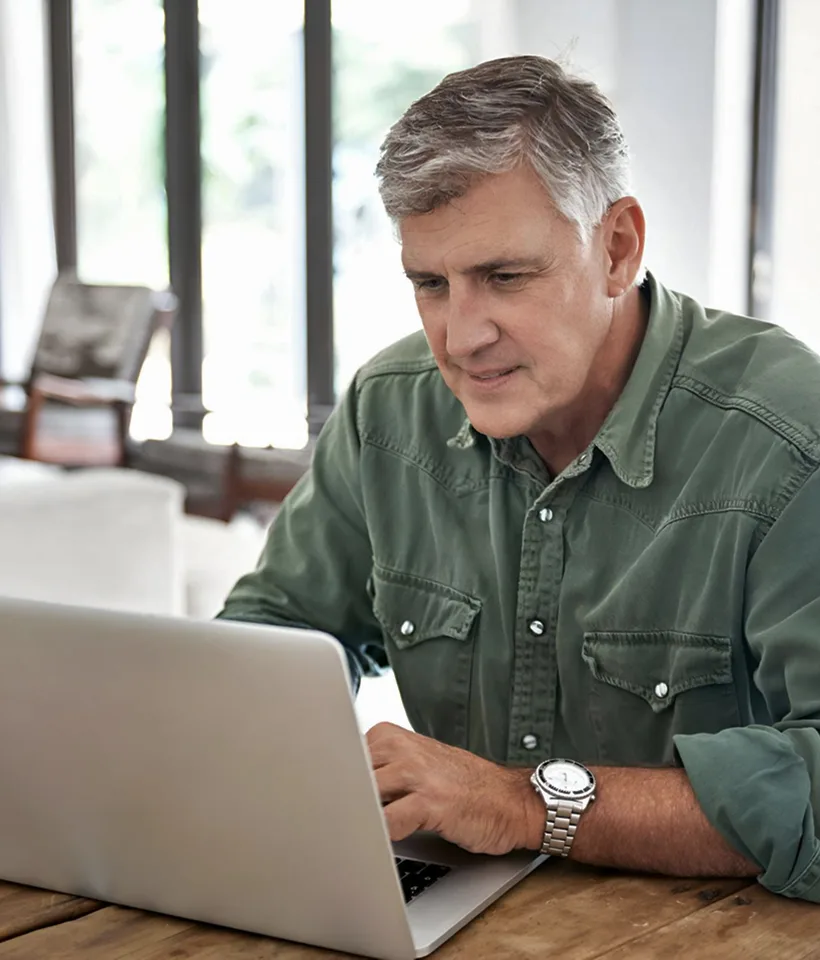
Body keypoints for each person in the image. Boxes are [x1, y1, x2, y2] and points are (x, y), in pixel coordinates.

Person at [218, 55, 820, 902]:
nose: (461, 338)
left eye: (504, 277)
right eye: (430, 284)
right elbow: (276, 632)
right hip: (447, 912)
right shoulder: (388, 411)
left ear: (618, 248)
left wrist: (526, 804)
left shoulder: (789, 440)